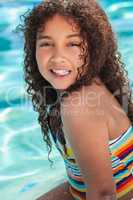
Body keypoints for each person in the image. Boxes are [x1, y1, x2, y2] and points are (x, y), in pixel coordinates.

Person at [19, 0, 133, 199]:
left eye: (73, 44)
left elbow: (104, 194)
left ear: (95, 47)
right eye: (46, 43)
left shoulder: (79, 105)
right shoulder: (91, 83)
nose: (57, 57)